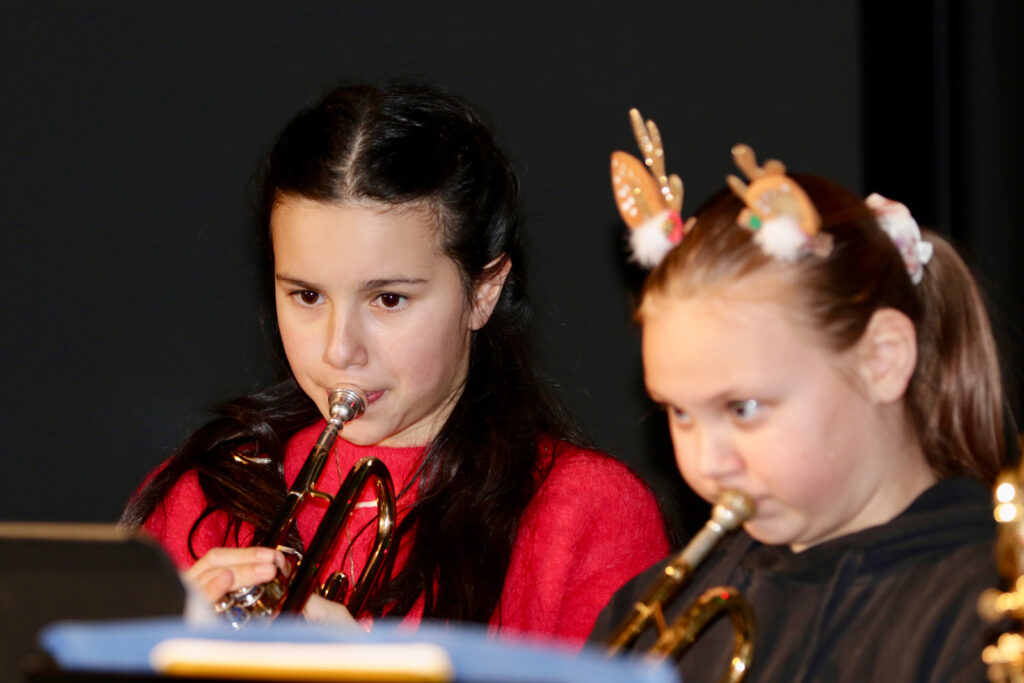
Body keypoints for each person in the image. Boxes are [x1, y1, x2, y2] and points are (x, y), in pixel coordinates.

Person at [121, 81, 669, 646]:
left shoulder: (586, 512)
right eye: (307, 296)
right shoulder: (203, 495)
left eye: (388, 299)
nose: (339, 350)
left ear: (483, 291)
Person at [590, 111, 1010, 680]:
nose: (708, 462)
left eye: (743, 408)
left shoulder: (994, 612)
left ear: (883, 359)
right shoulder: (654, 611)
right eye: (679, 413)